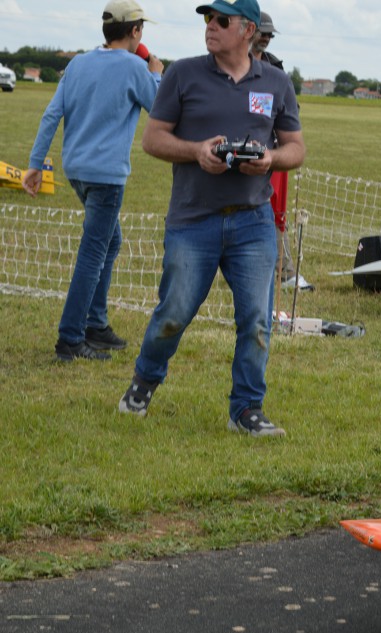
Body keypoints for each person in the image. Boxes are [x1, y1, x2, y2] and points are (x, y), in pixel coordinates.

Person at [118, 0, 305, 437]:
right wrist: (197, 151)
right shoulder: (182, 74)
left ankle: (246, 410)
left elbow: (295, 147)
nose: (211, 26)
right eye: (208, 19)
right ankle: (144, 382)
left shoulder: (276, 82)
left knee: (257, 320)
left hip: (253, 222)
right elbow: (153, 140)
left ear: (248, 30)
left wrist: (270, 159)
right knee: (174, 312)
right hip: (192, 219)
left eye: (222, 20)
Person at [23, 0, 163, 362]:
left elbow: (51, 114)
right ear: (134, 32)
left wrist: (35, 164)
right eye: (141, 28)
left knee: (109, 241)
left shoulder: (77, 64)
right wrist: (157, 74)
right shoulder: (135, 67)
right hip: (107, 177)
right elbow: (161, 108)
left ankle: (97, 325)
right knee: (94, 251)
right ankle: (72, 337)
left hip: (77, 173)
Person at [251, 10, 313, 292]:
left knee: (273, 209)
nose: (266, 38)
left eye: (269, 34)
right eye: (262, 32)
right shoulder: (226, 65)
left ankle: (284, 271)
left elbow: (290, 111)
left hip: (269, 152)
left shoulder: (276, 69)